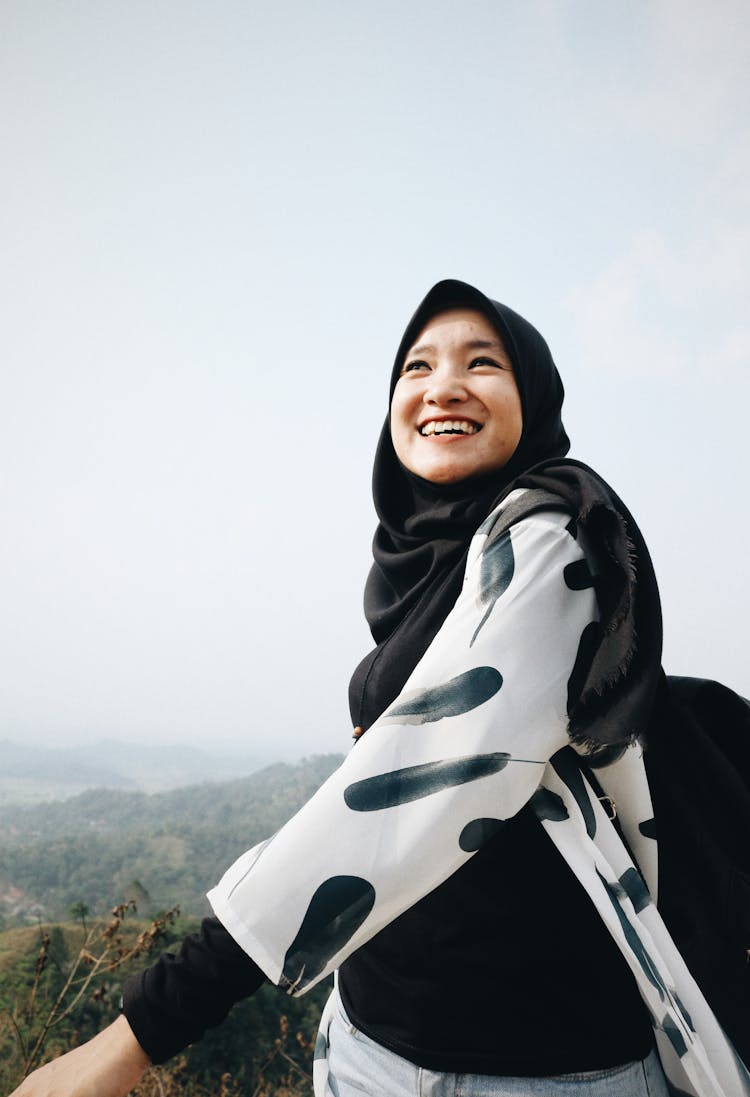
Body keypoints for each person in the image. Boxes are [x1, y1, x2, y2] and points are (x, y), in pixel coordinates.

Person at [10, 280, 748, 1097]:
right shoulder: (426, 561)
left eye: (483, 362)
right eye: (416, 366)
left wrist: (142, 1031)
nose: (442, 386)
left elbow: (414, 780)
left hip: (543, 1068)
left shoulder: (555, 545)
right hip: (371, 1046)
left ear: (533, 394)